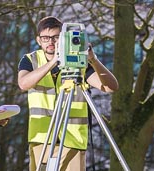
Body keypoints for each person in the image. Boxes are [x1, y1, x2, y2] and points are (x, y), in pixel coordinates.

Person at [18, 16, 119, 171]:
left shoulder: (80, 63)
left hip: (73, 140)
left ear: (63, 38)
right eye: (46, 38)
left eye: (56, 37)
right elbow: (23, 84)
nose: (51, 42)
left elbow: (111, 87)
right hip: (42, 139)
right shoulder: (31, 60)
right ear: (38, 40)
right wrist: (53, 62)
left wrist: (93, 60)